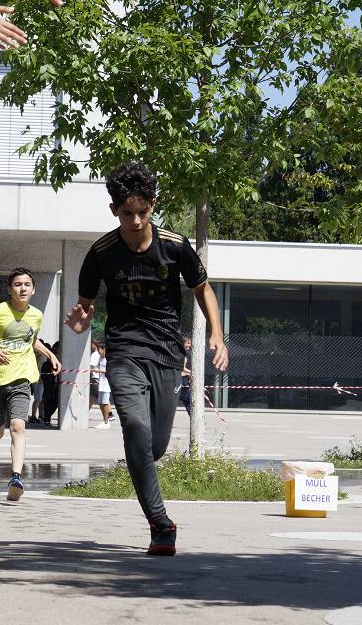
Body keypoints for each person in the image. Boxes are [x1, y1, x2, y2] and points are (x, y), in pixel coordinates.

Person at [65, 161, 228, 556]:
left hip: (167, 352)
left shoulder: (174, 246)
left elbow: (203, 289)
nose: (136, 221)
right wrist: (81, 322)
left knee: (152, 447)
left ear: (153, 206)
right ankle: (161, 524)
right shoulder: (101, 253)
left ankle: (143, 468)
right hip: (124, 350)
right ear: (114, 210)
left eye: (143, 212)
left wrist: (217, 334)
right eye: (127, 213)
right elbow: (85, 307)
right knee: (135, 426)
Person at [0, 267, 61, 501]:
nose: (23, 288)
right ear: (10, 289)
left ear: (33, 289)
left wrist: (50, 354)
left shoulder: (36, 315)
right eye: (18, 284)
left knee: (18, 426)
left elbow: (31, 339)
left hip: (21, 378)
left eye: (27, 284)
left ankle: (16, 478)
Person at [92, 346, 113, 429]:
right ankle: (104, 420)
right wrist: (94, 369)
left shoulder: (109, 359)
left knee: (105, 402)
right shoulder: (100, 358)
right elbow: (96, 367)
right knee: (100, 402)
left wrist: (99, 371)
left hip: (107, 384)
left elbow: (110, 371)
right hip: (101, 383)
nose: (99, 352)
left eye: (99, 350)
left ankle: (106, 422)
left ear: (104, 349)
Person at [178, 337, 193, 416]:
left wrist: (189, 375)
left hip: (183, 379)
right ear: (182, 344)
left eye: (190, 343)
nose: (189, 345)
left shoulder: (183, 354)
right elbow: (182, 368)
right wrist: (191, 372)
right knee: (188, 400)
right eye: (188, 343)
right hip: (181, 380)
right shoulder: (180, 354)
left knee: (187, 400)